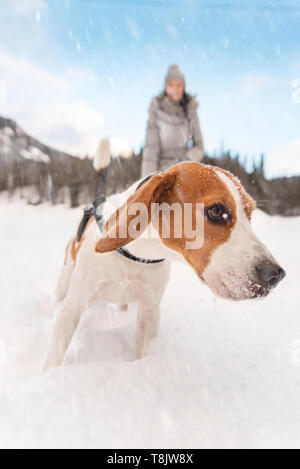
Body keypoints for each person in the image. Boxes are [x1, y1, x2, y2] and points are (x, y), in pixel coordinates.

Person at [141, 64, 205, 178]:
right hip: (159, 173)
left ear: (183, 87)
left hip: (184, 171)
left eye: (178, 85)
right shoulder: (156, 109)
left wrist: (183, 162)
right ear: (165, 87)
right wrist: (147, 180)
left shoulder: (190, 110)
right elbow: (151, 148)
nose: (174, 89)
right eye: (170, 85)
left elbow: (199, 147)